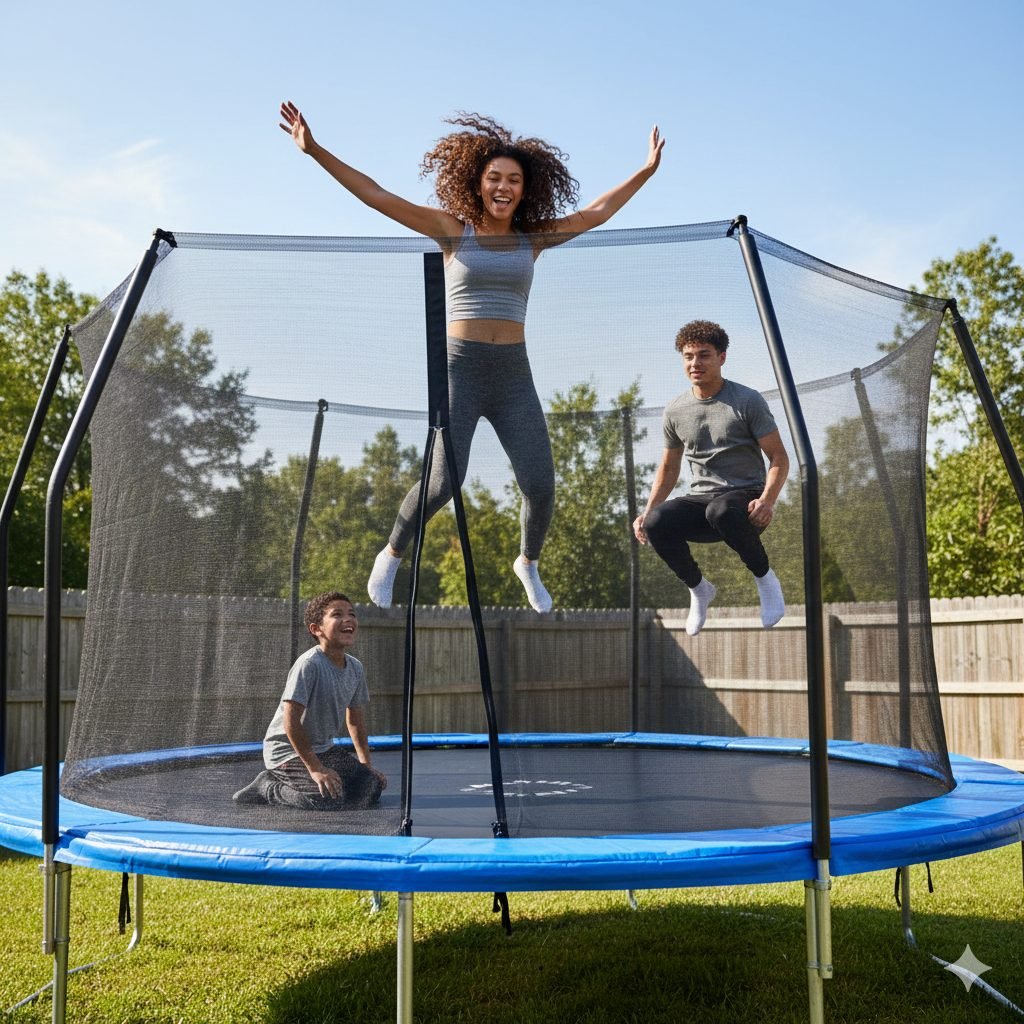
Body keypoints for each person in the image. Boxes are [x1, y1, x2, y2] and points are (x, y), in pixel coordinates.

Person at [279, 103, 665, 613]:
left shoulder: (534, 239)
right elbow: (377, 196)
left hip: (513, 375)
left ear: (526, 190)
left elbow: (596, 212)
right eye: (494, 177)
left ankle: (527, 561)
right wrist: (315, 151)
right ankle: (392, 552)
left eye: (513, 180)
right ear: (477, 182)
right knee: (443, 481)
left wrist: (644, 171)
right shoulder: (451, 231)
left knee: (541, 485)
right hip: (460, 368)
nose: (503, 187)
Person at [633, 320, 789, 637]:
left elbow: (778, 458)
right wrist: (648, 508)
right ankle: (699, 589)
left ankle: (765, 579)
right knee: (656, 522)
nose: (695, 364)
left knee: (721, 510)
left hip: (744, 501)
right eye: (689, 356)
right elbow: (669, 467)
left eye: (704, 355)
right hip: (702, 502)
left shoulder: (747, 401)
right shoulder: (676, 410)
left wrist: (768, 501)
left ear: (722, 357)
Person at [233, 591, 387, 810]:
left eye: (351, 614)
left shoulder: (355, 668)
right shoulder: (309, 665)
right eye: (337, 615)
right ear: (316, 629)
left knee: (371, 787)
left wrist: (365, 766)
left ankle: (313, 776)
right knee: (325, 798)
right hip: (287, 750)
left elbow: (355, 720)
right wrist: (315, 768)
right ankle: (266, 786)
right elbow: (291, 722)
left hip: (324, 748)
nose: (348, 619)